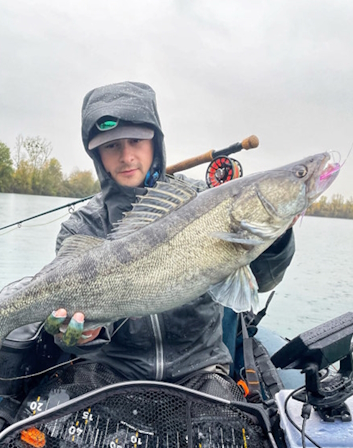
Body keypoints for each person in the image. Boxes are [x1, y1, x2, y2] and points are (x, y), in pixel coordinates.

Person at [40, 80, 295, 386]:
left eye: (136, 141)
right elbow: (70, 335)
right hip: (115, 372)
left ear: (155, 143)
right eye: (111, 146)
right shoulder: (81, 228)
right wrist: (85, 336)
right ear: (97, 156)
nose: (126, 156)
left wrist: (277, 237)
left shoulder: (205, 201)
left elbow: (263, 281)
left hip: (201, 368)